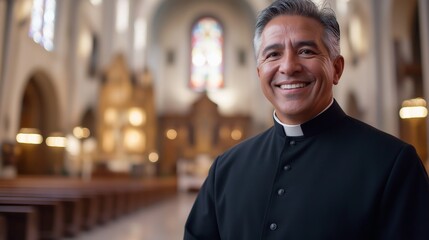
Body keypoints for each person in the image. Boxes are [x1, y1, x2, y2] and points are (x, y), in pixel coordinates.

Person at [184, 0, 429, 239]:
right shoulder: (225, 169)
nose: (289, 66)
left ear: (336, 68)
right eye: (273, 54)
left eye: (306, 51)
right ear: (260, 72)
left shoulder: (393, 165)